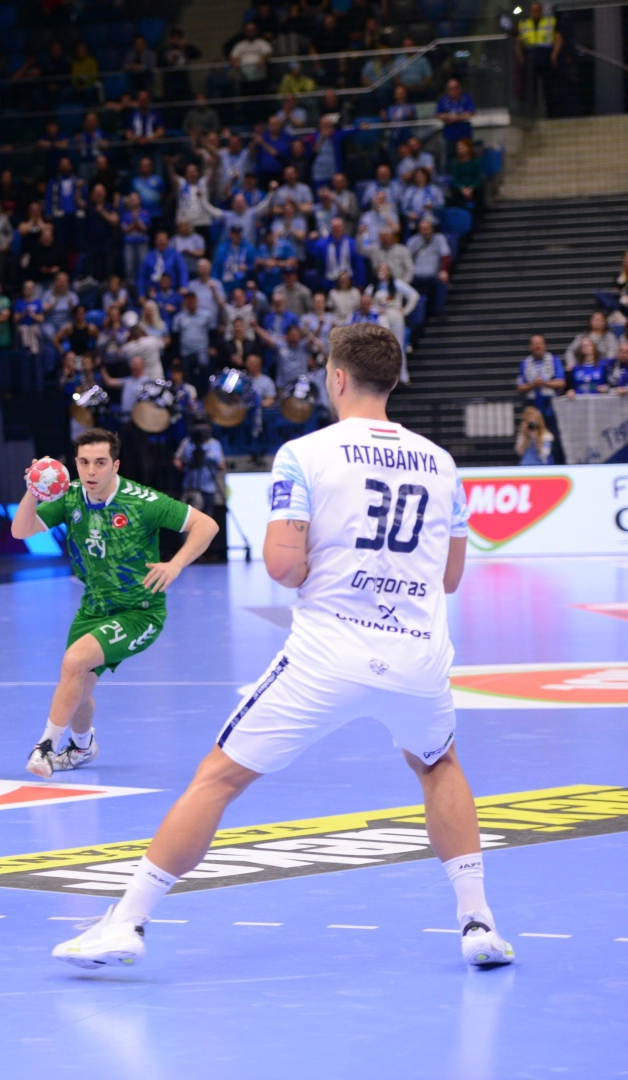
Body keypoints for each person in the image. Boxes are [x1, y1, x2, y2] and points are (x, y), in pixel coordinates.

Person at [53, 323, 514, 972]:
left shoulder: (305, 454)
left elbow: (281, 565)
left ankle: (126, 923)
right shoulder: (440, 462)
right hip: (416, 654)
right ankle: (477, 921)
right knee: (438, 766)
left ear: (336, 378)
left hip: (326, 656)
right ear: (392, 380)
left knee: (217, 779)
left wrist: (330, 564)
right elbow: (450, 577)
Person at [9, 429, 219, 776]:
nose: (91, 471)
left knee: (74, 662)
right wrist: (34, 490)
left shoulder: (142, 502)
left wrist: (176, 564)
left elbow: (206, 525)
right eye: (83, 463)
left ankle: (44, 747)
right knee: (77, 684)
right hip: (93, 608)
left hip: (139, 613)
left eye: (100, 463)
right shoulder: (70, 496)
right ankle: (82, 747)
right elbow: (21, 531)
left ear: (115, 465)